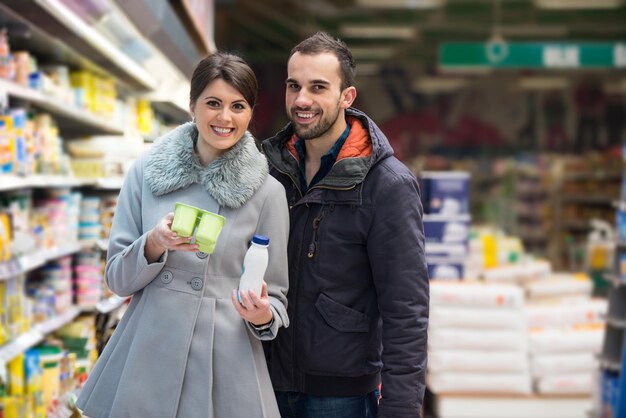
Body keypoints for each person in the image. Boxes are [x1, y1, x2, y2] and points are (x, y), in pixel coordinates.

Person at [76, 52, 290, 418]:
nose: (225, 117)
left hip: (225, 360)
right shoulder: (147, 173)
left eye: (237, 106)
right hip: (148, 352)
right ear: (192, 105)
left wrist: (261, 314)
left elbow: (277, 297)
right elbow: (116, 278)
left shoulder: (267, 192)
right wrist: (155, 242)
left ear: (251, 113)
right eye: (213, 103)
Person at [262, 32, 429, 418]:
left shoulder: (386, 185)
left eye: (317, 87)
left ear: (346, 97)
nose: (302, 100)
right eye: (293, 86)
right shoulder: (267, 169)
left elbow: (406, 308)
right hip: (261, 378)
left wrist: (401, 408)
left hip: (340, 397)